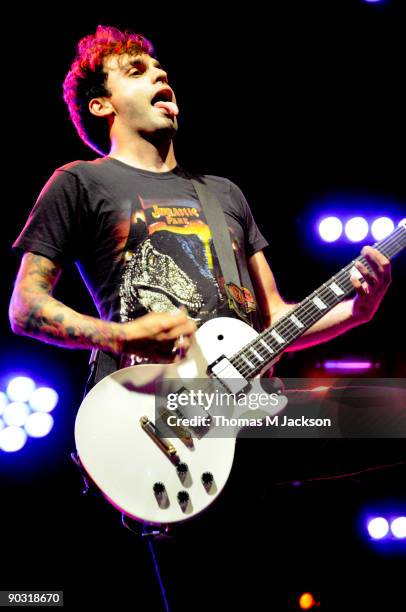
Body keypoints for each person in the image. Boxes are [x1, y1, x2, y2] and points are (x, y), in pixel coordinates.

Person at [8, 24, 393, 609]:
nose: (160, 74)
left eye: (160, 68)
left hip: (252, 412)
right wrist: (121, 331)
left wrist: (354, 311)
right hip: (162, 418)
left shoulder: (224, 194)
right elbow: (25, 306)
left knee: (392, 412)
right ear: (101, 103)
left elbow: (277, 321)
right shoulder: (80, 183)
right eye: (137, 70)